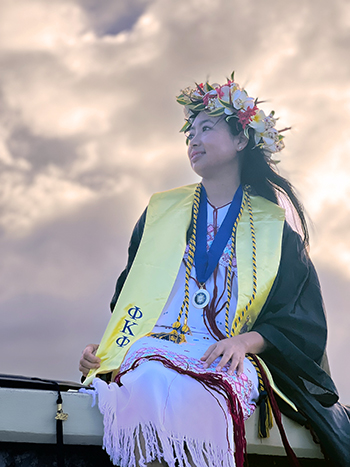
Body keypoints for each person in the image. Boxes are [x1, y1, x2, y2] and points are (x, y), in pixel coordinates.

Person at [79, 72, 350, 467]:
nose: (193, 138)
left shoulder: (276, 232)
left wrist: (244, 342)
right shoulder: (160, 214)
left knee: (201, 393)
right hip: (159, 348)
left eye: (207, 128)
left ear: (242, 140)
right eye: (190, 131)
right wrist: (105, 350)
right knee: (149, 379)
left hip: (227, 356)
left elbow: (301, 323)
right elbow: (130, 297)